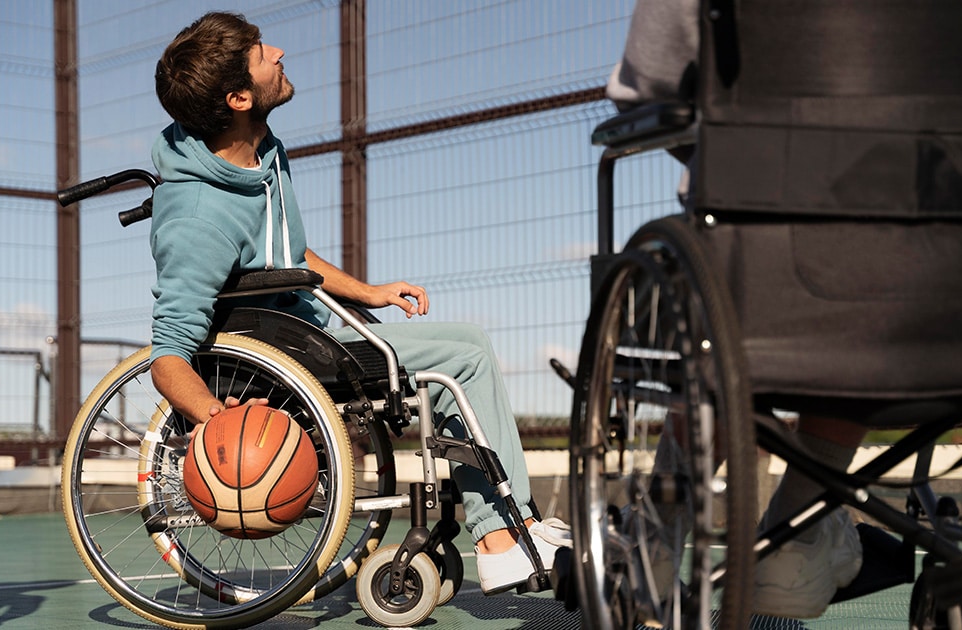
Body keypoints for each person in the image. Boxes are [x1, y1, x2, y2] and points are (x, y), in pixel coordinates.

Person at [149, 11, 570, 596]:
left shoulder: (259, 153)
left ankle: (504, 525)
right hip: (292, 351)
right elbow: (168, 355)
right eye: (260, 51)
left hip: (310, 330)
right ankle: (501, 537)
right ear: (240, 96)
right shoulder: (198, 217)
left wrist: (369, 292)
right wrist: (219, 425)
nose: (279, 51)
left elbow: (288, 254)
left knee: (457, 351)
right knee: (465, 353)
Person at [607, 0, 865, 619]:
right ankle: (796, 537)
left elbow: (644, 88)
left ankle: (659, 531)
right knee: (870, 284)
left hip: (753, 247)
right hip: (945, 283)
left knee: (727, 345)